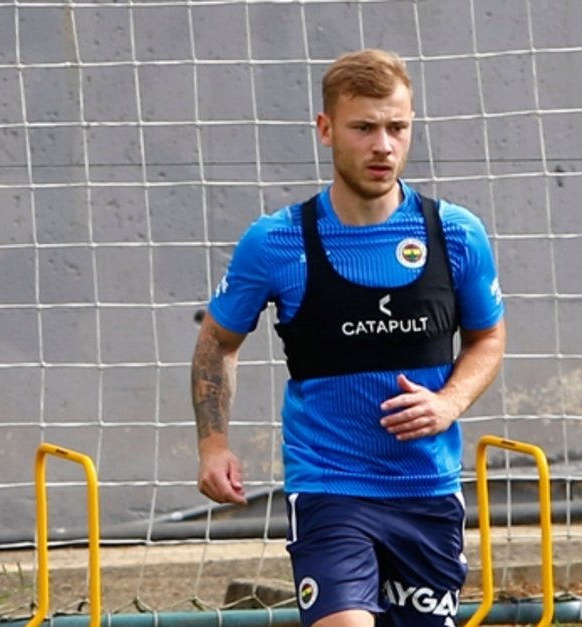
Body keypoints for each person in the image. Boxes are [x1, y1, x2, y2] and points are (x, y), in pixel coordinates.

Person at [191, 48, 506, 627]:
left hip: (427, 488)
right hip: (330, 487)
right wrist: (214, 445)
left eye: (397, 127)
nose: (383, 146)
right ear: (325, 129)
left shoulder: (455, 233)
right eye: (364, 128)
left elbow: (487, 338)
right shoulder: (276, 242)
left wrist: (448, 403)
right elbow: (218, 343)